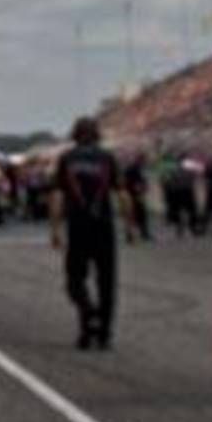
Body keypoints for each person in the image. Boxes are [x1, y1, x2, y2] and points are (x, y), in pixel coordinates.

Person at [51, 117, 127, 349]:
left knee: (75, 279)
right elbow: (122, 194)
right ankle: (104, 334)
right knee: (107, 281)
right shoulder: (107, 158)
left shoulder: (67, 159)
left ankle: (87, 316)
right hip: (104, 225)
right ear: (97, 135)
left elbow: (57, 196)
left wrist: (55, 229)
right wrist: (131, 225)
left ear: (75, 134)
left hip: (78, 226)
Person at [121, 150, 152, 242]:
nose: (145, 162)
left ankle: (135, 234)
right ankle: (139, 234)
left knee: (135, 215)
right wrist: (140, 189)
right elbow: (135, 182)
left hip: (133, 194)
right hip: (134, 194)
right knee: (137, 214)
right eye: (144, 160)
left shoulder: (135, 168)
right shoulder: (135, 168)